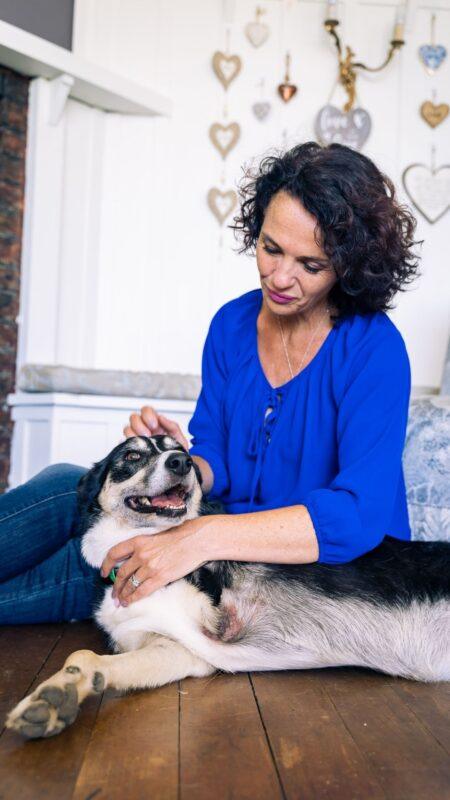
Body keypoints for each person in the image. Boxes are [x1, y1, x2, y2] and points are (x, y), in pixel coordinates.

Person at [0, 142, 421, 624]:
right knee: (65, 486)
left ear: (348, 266)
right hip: (217, 537)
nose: (280, 277)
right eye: (271, 247)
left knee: (97, 566)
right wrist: (177, 467)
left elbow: (359, 516)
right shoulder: (232, 324)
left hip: (318, 571)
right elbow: (219, 457)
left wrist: (199, 538)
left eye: (310, 265)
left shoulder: (375, 349)